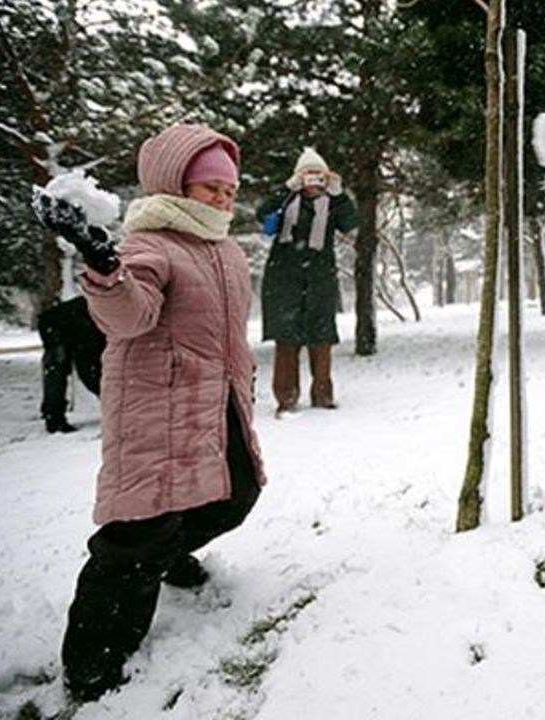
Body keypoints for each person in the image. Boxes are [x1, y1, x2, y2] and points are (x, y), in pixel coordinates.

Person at [32, 123, 267, 704]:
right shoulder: (150, 245)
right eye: (211, 187)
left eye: (230, 189)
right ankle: (92, 665)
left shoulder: (226, 251)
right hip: (156, 409)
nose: (224, 198)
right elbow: (127, 316)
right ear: (176, 186)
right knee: (135, 539)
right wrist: (102, 266)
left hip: (217, 403)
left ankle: (168, 556)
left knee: (236, 493)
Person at [257, 147, 358, 414]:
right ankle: (286, 399)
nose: (314, 182)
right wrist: (286, 188)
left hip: (320, 279)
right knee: (286, 340)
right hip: (283, 279)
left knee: (321, 338)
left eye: (319, 175)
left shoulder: (332, 203)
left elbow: (350, 223)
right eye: (308, 175)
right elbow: (262, 214)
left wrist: (339, 194)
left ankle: (323, 396)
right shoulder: (286, 200)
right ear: (299, 177)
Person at [36, 295, 106, 433]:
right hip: (57, 325)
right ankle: (54, 418)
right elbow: (89, 371)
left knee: (58, 369)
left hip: (67, 323)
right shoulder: (100, 325)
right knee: (58, 368)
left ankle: (51, 412)